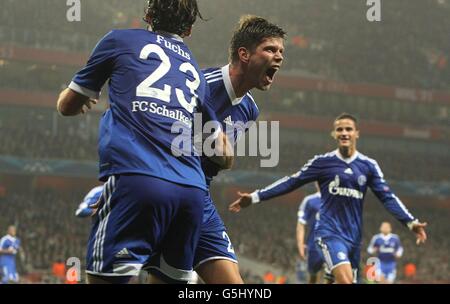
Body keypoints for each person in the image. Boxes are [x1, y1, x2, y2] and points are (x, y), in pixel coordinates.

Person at [57, 0, 231, 284]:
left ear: (148, 15)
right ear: (188, 29)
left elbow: (66, 107)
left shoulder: (119, 40)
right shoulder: (196, 73)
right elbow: (223, 152)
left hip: (138, 179)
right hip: (191, 193)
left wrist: (76, 97)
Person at [149, 15, 286, 284]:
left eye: (281, 51)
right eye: (270, 49)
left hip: (199, 200)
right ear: (244, 54)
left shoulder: (250, 109)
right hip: (166, 194)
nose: (279, 56)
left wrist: (224, 157)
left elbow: (219, 160)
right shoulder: (199, 87)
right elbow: (153, 138)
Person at [229, 113, 427, 284]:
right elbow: (292, 181)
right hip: (329, 233)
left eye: (349, 129)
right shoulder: (323, 162)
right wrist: (255, 197)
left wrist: (410, 222)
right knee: (345, 280)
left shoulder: (368, 166)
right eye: (339, 129)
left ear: (357, 133)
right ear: (334, 134)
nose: (344, 133)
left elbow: (387, 197)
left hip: (354, 238)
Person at [296, 182, 325, 284]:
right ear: (316, 183)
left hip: (333, 244)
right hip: (314, 245)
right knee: (313, 276)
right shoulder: (310, 201)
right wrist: (300, 245)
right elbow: (301, 224)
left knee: (331, 276)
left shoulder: (337, 201)